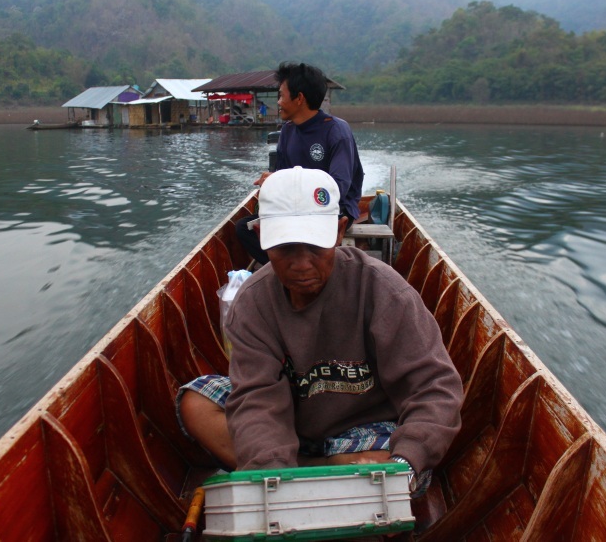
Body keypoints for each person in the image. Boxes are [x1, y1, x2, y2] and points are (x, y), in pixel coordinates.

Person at [178, 167, 464, 496]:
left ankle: (312, 473)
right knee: (195, 402)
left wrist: (406, 461)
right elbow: (257, 399)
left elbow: (434, 388)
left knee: (383, 465)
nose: (301, 264)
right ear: (260, 239)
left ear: (339, 231)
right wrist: (271, 475)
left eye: (315, 247)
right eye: (285, 248)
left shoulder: (382, 290)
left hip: (362, 431)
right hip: (291, 425)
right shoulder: (254, 303)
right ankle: (316, 476)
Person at [235, 62, 364, 265]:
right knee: (244, 228)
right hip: (294, 207)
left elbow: (338, 187)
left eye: (281, 96)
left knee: (303, 234)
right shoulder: (287, 131)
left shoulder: (337, 131)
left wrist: (280, 180)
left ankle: (295, 268)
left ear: (299, 98)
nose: (278, 102)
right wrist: (272, 182)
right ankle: (283, 271)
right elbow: (282, 176)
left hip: (332, 209)